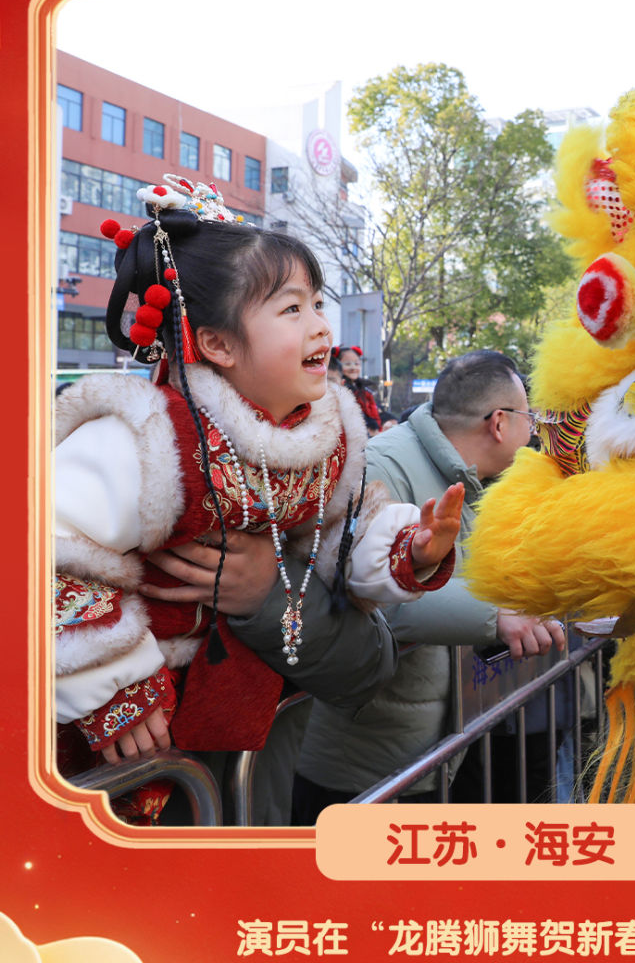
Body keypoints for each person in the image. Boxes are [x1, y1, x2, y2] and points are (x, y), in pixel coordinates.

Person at [54, 174, 462, 817]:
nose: (321, 326)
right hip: (118, 733)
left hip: (236, 731)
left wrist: (409, 549)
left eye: (318, 303)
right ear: (217, 343)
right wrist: (110, 687)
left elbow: (335, 535)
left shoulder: (324, 438)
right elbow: (46, 549)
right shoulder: (147, 436)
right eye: (292, 309)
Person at [288, 350, 566, 817]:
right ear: (499, 423)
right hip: (369, 761)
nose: (535, 431)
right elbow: (372, 597)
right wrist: (495, 615)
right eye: (530, 418)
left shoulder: (477, 477)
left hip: (441, 741)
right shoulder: (382, 466)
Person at [335, 344, 382, 434]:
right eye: (347, 364)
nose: (353, 368)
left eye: (356, 364)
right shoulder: (338, 389)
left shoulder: (365, 391)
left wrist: (376, 428)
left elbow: (374, 414)